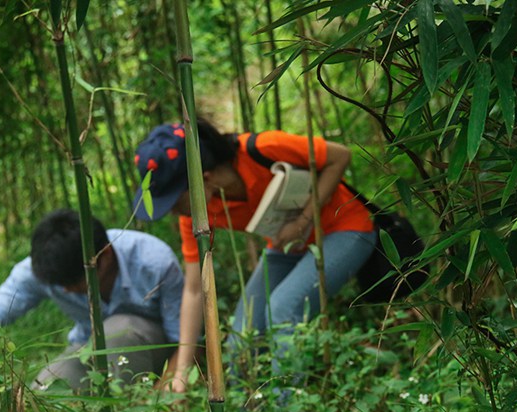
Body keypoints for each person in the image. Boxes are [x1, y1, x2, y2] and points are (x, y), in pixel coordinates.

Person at [132, 120, 377, 394]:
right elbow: (193, 289)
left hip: (345, 228)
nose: (175, 212)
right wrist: (180, 373)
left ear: (205, 179)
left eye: (175, 202)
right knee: (242, 337)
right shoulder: (199, 212)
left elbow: (340, 156)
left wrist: (303, 221)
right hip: (286, 246)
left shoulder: (264, 149)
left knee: (283, 309)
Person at [0, 209, 184, 392]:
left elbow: (188, 342)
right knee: (47, 391)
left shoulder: (153, 262)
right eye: (60, 286)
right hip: (89, 346)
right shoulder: (41, 270)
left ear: (104, 257)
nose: (67, 290)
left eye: (74, 283)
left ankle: (127, 411)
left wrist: (166, 390)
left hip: (155, 348)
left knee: (119, 331)